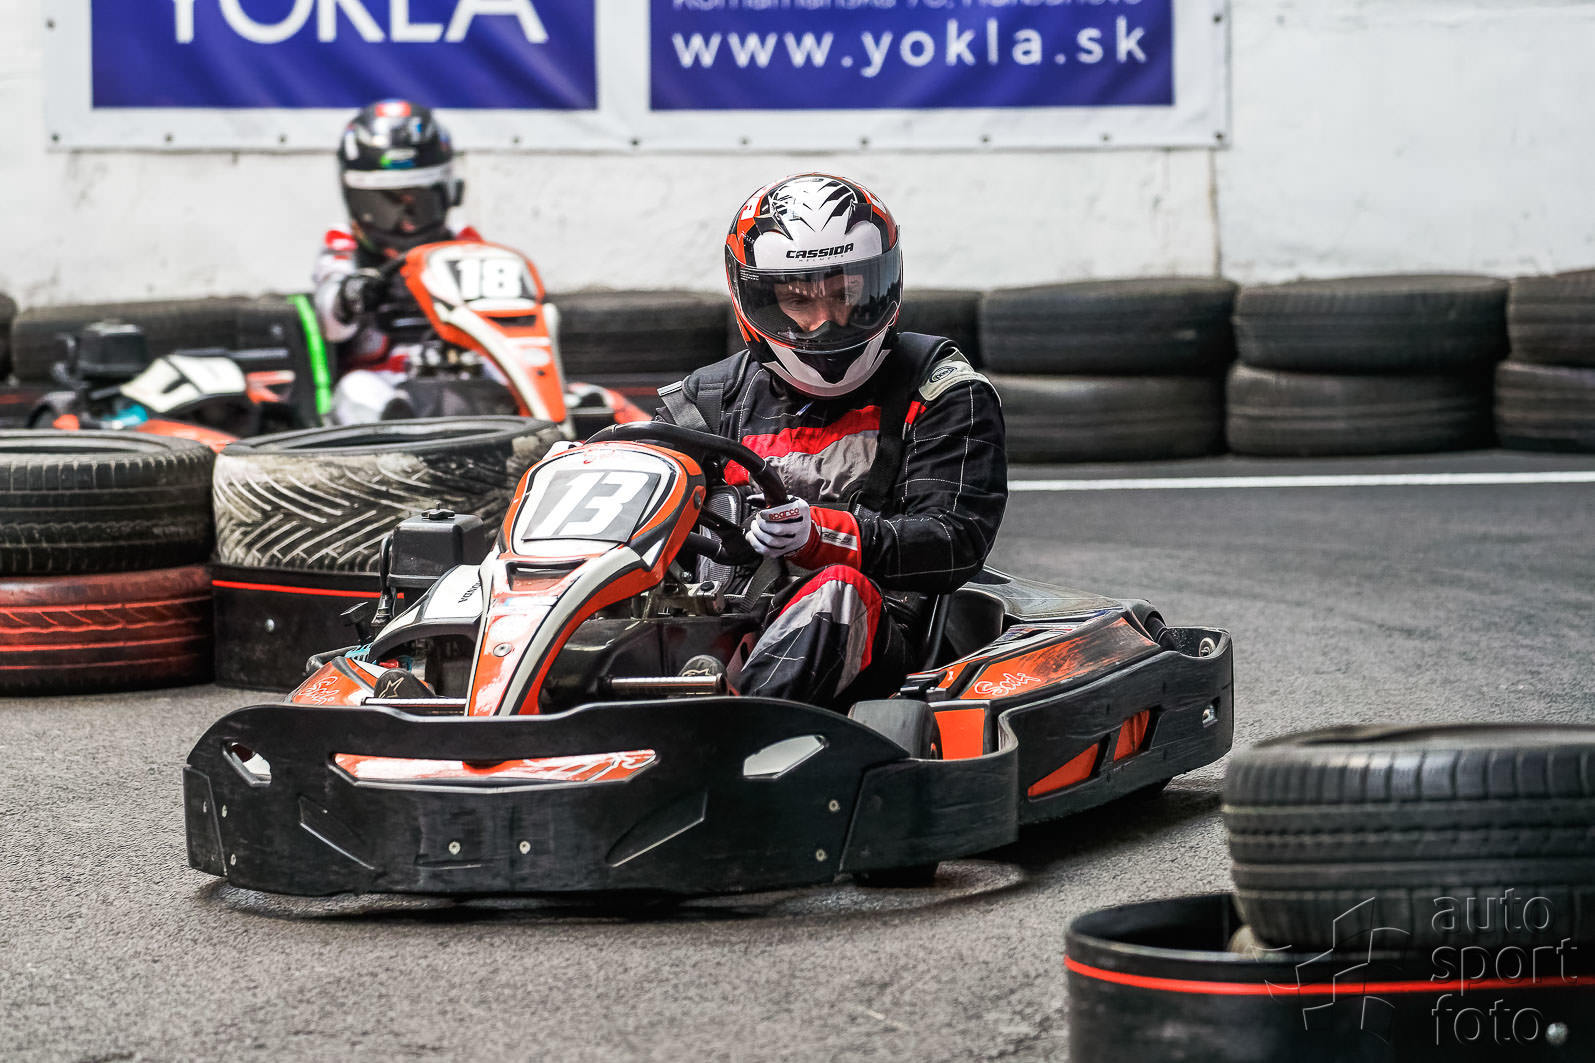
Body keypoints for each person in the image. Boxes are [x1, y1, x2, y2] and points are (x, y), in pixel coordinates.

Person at [657, 173, 1008, 708]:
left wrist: (821, 535)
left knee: (836, 593)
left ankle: (725, 729)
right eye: (798, 300)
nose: (825, 323)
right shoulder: (706, 401)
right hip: (718, 623)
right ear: (756, 298)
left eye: (845, 294)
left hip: (879, 631)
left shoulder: (939, 389)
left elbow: (954, 540)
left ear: (882, 284)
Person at [311, 99, 480, 422]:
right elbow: (330, 323)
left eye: (417, 204)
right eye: (383, 206)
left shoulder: (463, 240)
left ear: (449, 192)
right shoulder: (344, 242)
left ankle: (554, 420)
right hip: (384, 383)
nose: (405, 224)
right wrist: (353, 294)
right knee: (356, 389)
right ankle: (399, 431)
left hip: (464, 378)